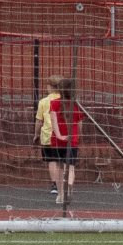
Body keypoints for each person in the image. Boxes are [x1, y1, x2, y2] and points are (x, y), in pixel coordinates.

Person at [36, 74, 81, 206]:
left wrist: (59, 135)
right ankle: (70, 185)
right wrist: (78, 136)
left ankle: (61, 194)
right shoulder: (75, 105)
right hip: (71, 140)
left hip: (56, 140)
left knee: (60, 167)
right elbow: (79, 123)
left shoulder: (54, 103)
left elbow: (53, 121)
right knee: (70, 167)